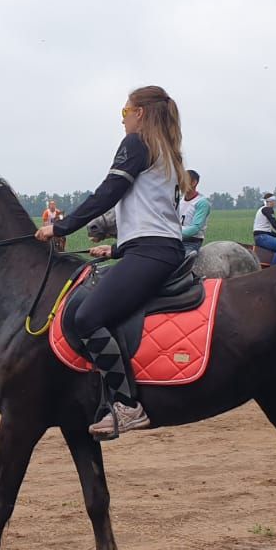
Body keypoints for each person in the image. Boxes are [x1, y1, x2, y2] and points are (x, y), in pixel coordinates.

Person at [36, 85, 189, 439]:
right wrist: (118, 250)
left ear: (141, 114)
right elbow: (154, 216)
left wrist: (60, 226)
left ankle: (127, 404)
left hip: (151, 253)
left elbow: (107, 193)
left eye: (124, 112)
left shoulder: (137, 144)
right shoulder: (167, 153)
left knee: (87, 316)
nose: (122, 120)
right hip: (153, 249)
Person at [252, 192, 276, 264]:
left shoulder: (262, 209)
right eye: (274, 201)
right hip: (263, 237)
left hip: (260, 236)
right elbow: (275, 224)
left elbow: (268, 231)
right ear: (270, 201)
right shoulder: (267, 209)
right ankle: (273, 269)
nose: (275, 203)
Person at [179, 170, 210, 255]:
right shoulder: (179, 200)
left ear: (194, 183)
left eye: (184, 180)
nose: (180, 183)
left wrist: (174, 232)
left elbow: (195, 228)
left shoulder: (202, 203)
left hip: (191, 243)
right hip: (175, 240)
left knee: (183, 262)